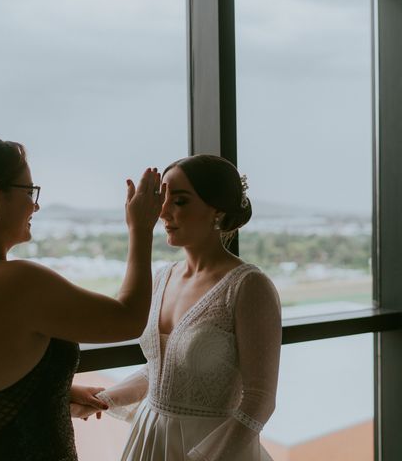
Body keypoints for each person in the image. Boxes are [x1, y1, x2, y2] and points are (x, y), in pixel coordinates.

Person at [0, 135, 164, 461]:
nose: (35, 204)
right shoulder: (16, 281)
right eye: (28, 191)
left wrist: (55, 393)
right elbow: (128, 318)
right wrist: (140, 229)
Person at [88, 154, 282, 461]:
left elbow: (260, 400)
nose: (162, 212)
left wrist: (206, 458)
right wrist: (104, 399)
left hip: (213, 450)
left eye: (179, 202)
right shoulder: (164, 276)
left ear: (216, 210)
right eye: (162, 199)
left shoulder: (248, 287)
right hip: (149, 439)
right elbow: (161, 372)